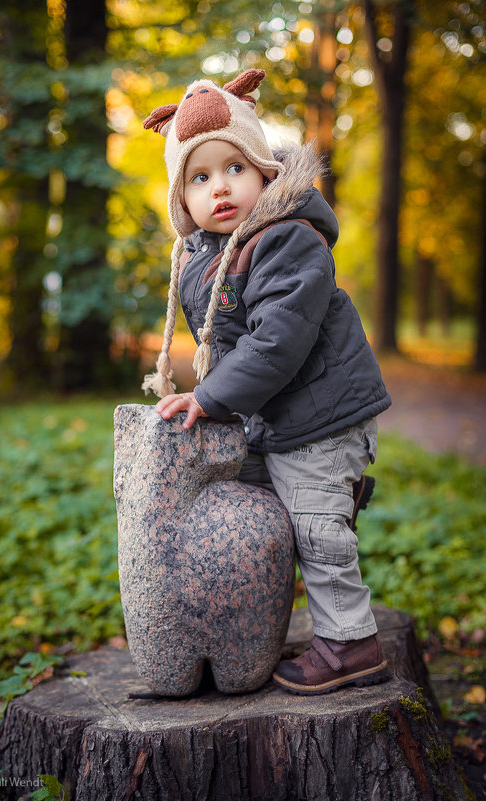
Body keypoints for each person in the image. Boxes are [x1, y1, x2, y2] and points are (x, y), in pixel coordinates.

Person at [141, 68, 391, 695]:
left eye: (234, 169)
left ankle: (350, 643)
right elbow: (223, 343)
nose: (219, 188)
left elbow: (276, 344)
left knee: (315, 528)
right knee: (252, 507)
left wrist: (211, 397)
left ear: (265, 173)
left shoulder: (285, 241)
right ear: (183, 199)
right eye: (199, 178)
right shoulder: (209, 256)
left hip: (323, 421)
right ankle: (231, 629)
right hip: (282, 420)